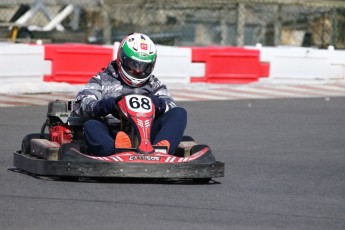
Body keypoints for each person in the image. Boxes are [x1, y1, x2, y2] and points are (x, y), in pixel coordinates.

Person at [73, 32, 187, 156]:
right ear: (122, 59)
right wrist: (106, 106)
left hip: (148, 135)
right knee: (91, 125)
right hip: (113, 133)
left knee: (179, 113)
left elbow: (171, 107)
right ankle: (116, 152)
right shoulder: (101, 80)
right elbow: (81, 104)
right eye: (134, 64)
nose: (138, 70)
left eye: (144, 66)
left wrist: (159, 104)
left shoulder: (154, 84)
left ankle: (161, 152)